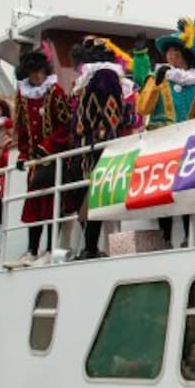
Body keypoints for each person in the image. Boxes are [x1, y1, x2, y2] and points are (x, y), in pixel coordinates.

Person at [133, 23, 195, 247]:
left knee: (186, 192)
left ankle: (191, 235)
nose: (173, 57)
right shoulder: (156, 77)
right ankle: (165, 238)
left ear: (186, 57)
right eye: (170, 53)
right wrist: (155, 83)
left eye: (177, 53)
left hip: (185, 145)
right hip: (160, 144)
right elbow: (143, 108)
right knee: (162, 192)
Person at [68, 37, 136, 259]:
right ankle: (89, 245)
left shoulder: (103, 76)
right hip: (86, 145)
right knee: (84, 196)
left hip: (96, 145)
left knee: (93, 195)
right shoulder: (93, 78)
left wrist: (100, 131)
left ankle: (90, 247)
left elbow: (110, 113)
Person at [12, 50, 71, 265]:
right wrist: (23, 153)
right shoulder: (23, 96)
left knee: (52, 203)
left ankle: (49, 249)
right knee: (34, 205)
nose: (36, 77)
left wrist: (47, 146)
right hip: (36, 163)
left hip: (54, 158)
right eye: (31, 73)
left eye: (38, 72)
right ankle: (31, 250)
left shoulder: (55, 92)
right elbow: (22, 129)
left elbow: (66, 125)